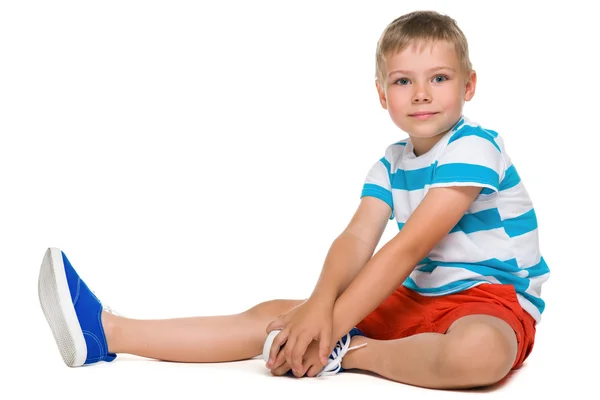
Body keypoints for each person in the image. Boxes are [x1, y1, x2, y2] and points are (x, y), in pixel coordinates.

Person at [37, 10, 550, 390]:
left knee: (480, 355)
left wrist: (332, 332)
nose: (421, 93)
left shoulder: (475, 145)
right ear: (381, 93)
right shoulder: (390, 163)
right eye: (403, 81)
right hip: (415, 297)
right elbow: (356, 239)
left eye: (438, 78)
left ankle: (350, 355)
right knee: (279, 316)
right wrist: (319, 307)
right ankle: (107, 331)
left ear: (469, 84)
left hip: (490, 302)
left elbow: (408, 247)